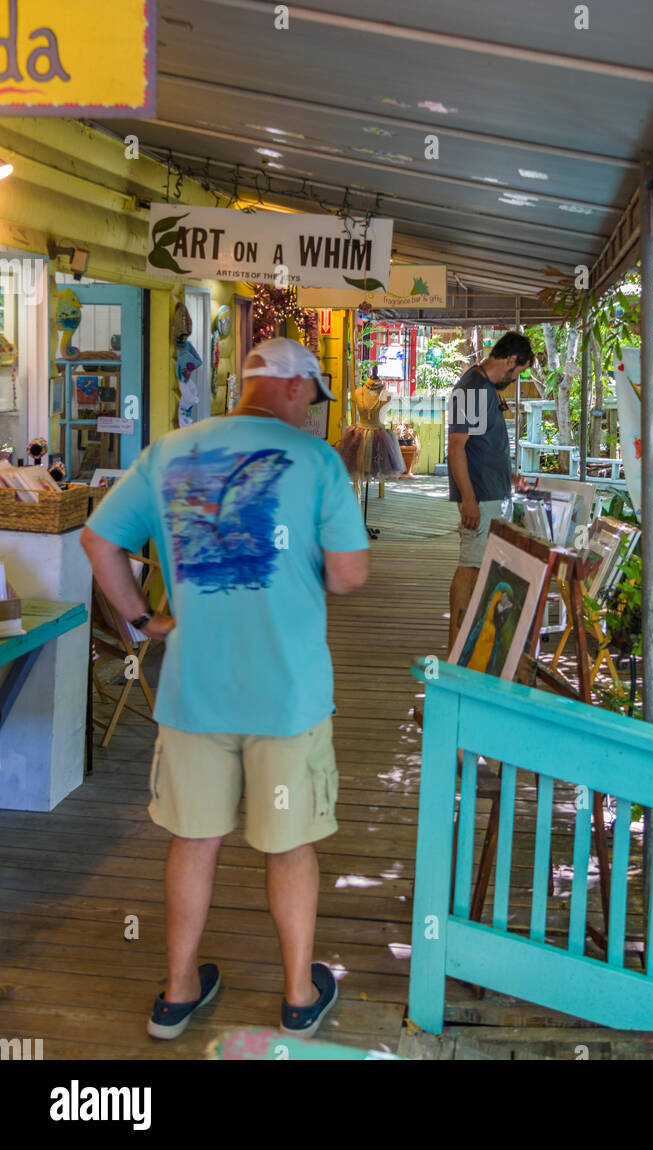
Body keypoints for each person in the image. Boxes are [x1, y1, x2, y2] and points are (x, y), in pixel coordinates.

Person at [80, 337, 369, 1041]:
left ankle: (178, 993)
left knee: (195, 839)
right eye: (315, 402)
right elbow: (350, 575)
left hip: (194, 690)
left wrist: (144, 619)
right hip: (287, 697)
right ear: (296, 388)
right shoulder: (317, 461)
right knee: (289, 843)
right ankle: (299, 995)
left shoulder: (170, 450)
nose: (314, 416)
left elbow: (98, 541)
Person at [447, 331, 535, 648]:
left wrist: (508, 476)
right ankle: (456, 648)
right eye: (519, 371)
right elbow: (457, 447)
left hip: (491, 492)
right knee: (470, 567)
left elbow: (482, 447)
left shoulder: (483, 388)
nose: (515, 379)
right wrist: (468, 499)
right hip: (480, 498)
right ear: (510, 360)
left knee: (482, 567)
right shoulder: (473, 388)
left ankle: (471, 646)